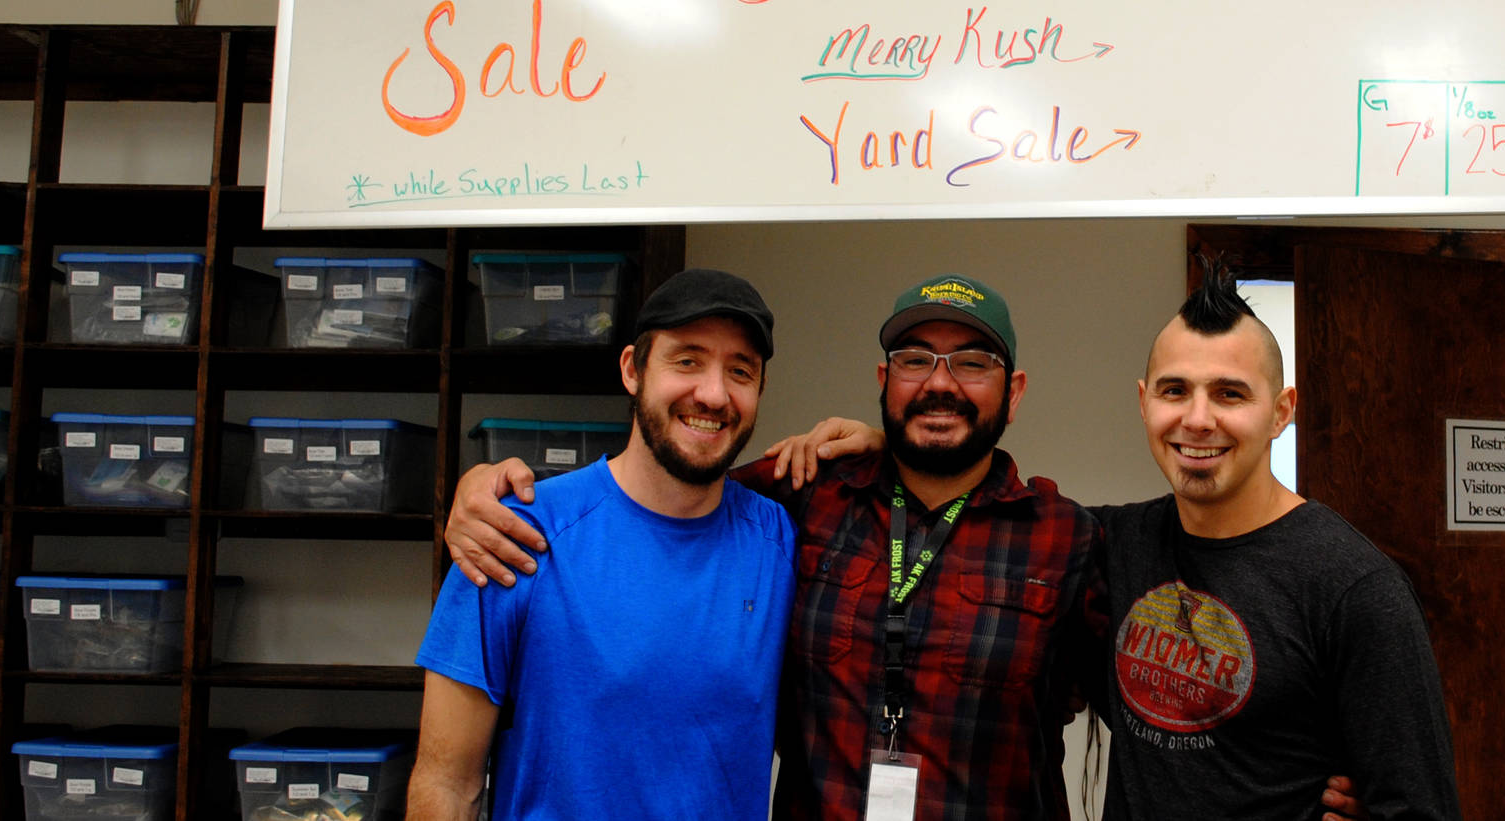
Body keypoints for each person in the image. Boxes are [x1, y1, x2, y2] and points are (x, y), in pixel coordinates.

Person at [447, 274, 1369, 821]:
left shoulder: (1071, 537)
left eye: (971, 362)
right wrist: (482, 489)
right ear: (884, 381)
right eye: (917, 360)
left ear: (1013, 389)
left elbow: (1165, 682)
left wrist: (1298, 782)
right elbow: (666, 479)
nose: (942, 383)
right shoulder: (798, 498)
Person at [408, 268, 796, 821]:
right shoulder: (512, 534)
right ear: (633, 370)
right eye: (686, 360)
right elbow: (447, 784)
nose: (713, 393)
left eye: (740, 370)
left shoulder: (781, 544)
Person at [1091, 261, 1463, 820]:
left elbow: (1418, 806)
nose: (1196, 419)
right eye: (1175, 390)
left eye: (1229, 394)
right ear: (1144, 401)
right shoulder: (1106, 546)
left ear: (1281, 413)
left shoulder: (1355, 587)